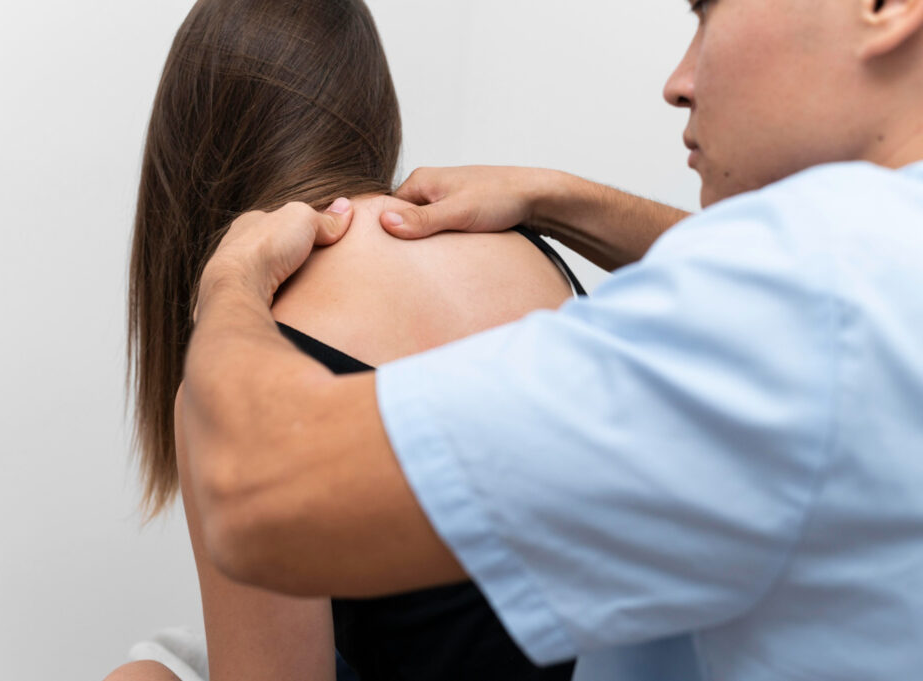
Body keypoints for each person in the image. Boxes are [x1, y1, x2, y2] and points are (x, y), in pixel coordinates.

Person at [173, 1, 923, 680]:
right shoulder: (863, 271)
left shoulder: (806, 296)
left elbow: (251, 491)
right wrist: (558, 197)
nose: (678, 79)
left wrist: (231, 286)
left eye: (708, 11)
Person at [107, 1, 598, 680]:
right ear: (377, 114)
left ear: (193, 147)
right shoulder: (535, 253)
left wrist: (227, 286)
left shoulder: (239, 361)